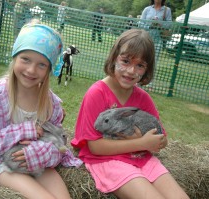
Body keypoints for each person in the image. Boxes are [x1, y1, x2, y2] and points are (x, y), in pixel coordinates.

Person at [71, 29, 189, 199]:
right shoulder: (97, 93)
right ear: (114, 58)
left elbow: (161, 140)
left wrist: (157, 141)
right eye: (125, 61)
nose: (131, 71)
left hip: (142, 159)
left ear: (146, 70)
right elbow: (95, 147)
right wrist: (141, 142)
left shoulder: (143, 98)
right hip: (108, 161)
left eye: (140, 65)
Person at [0, 21, 82, 199]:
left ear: (49, 70)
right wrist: (22, 131)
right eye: (25, 59)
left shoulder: (51, 105)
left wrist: (44, 152)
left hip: (38, 162)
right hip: (3, 163)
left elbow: (59, 145)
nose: (31, 70)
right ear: (15, 58)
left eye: (42, 65)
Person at [140, 0, 172, 67]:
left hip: (158, 41)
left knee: (153, 63)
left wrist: (160, 24)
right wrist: (149, 26)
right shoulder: (147, 9)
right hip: (144, 40)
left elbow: (169, 24)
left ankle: (151, 77)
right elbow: (140, 23)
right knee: (141, 60)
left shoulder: (167, 10)